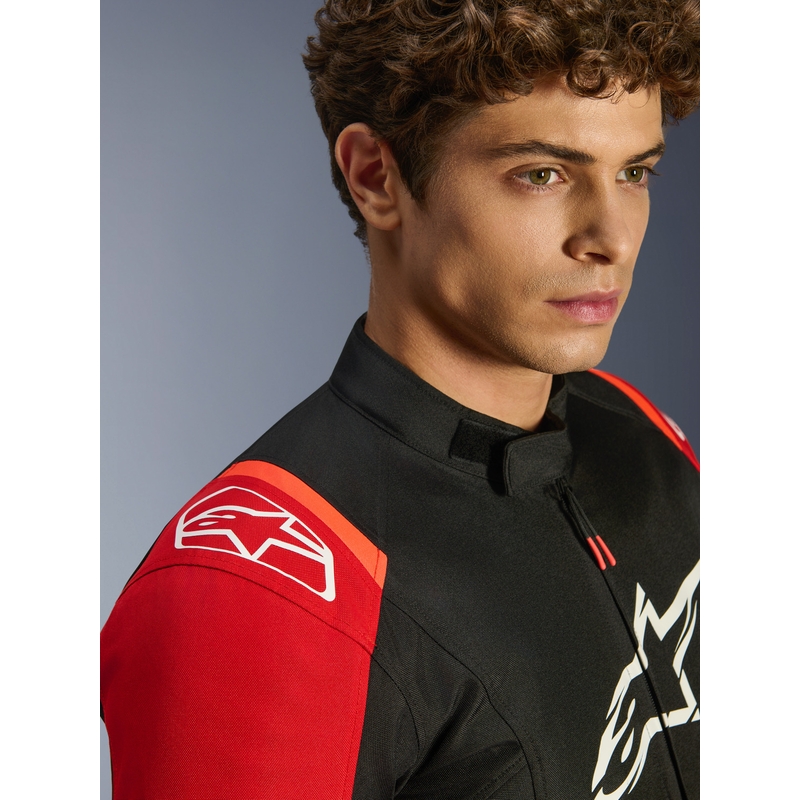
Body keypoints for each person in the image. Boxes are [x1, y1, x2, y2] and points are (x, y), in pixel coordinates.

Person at [100, 1, 700, 798]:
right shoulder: (256, 593)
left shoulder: (640, 430)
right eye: (542, 174)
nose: (611, 238)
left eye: (634, 173)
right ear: (375, 177)